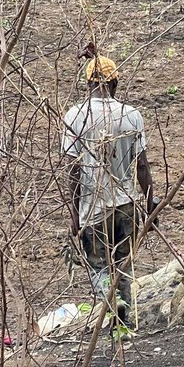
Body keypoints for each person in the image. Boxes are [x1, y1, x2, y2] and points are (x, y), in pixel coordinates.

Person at [62, 50, 155, 317]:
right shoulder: (132, 115)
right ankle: (123, 322)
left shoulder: (75, 116)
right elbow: (142, 165)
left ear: (88, 84)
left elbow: (73, 169)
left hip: (93, 208)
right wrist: (150, 204)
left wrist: (74, 213)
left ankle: (112, 310)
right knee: (123, 267)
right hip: (126, 204)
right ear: (115, 83)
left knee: (99, 267)